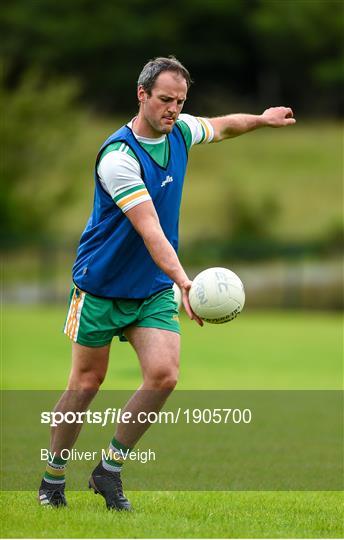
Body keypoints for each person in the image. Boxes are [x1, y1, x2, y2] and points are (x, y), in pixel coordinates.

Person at [38, 56, 295, 510]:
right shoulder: (118, 157)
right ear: (142, 95)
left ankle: (108, 472)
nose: (173, 109)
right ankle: (52, 478)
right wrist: (186, 284)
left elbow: (223, 125)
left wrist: (261, 119)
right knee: (86, 383)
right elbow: (150, 228)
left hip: (152, 286)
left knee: (164, 375)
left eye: (180, 101)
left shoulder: (181, 131)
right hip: (100, 286)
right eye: (164, 100)